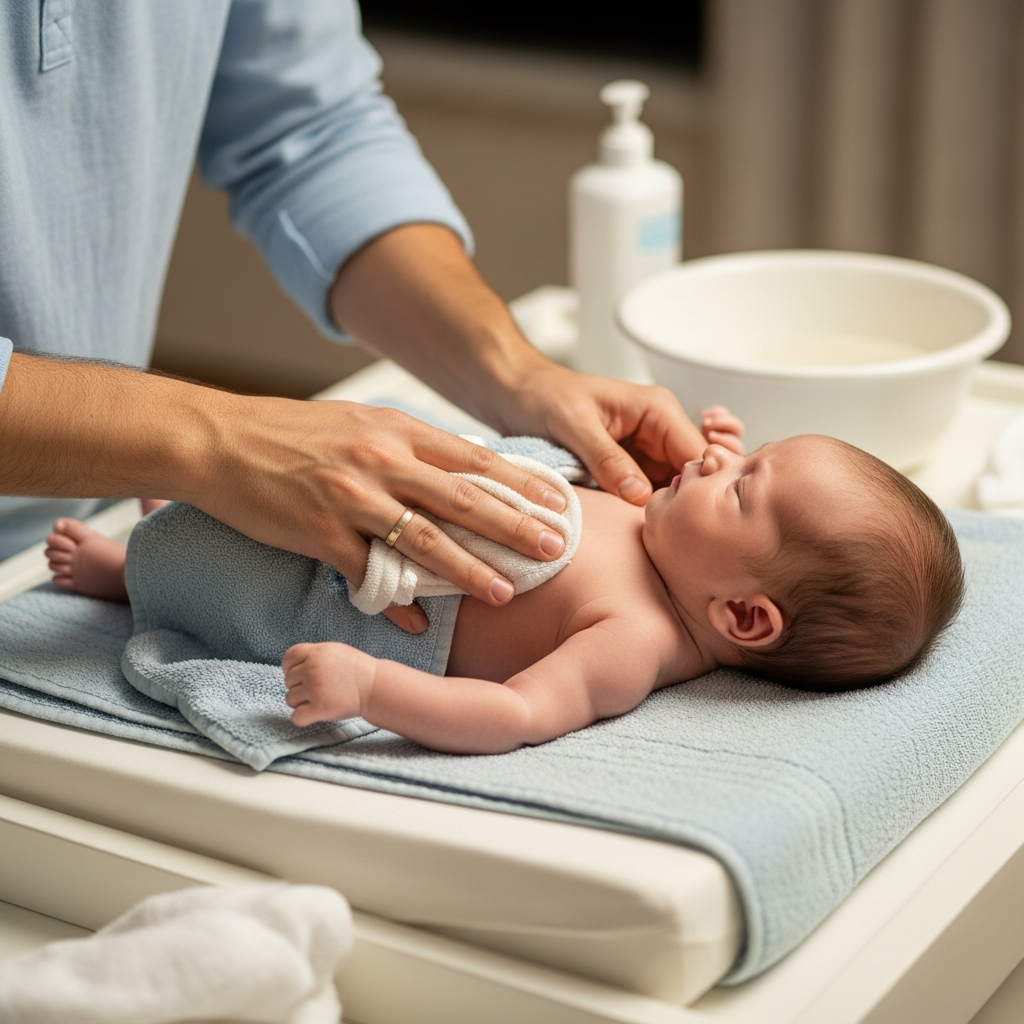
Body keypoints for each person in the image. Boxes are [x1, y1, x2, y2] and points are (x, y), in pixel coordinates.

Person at [0, 1, 720, 632]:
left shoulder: (643, 613)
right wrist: (212, 442)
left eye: (745, 474)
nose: (721, 461)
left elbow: (310, 128)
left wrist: (514, 372)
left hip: (74, 526)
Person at [46, 430, 965, 756]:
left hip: (358, 607)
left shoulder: (634, 638)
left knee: (238, 584)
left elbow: (513, 713)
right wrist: (712, 467)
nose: (713, 461)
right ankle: (177, 515)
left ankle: (129, 575)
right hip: (406, 524)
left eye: (741, 485)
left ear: (744, 617)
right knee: (282, 497)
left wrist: (372, 692)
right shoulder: (668, 540)